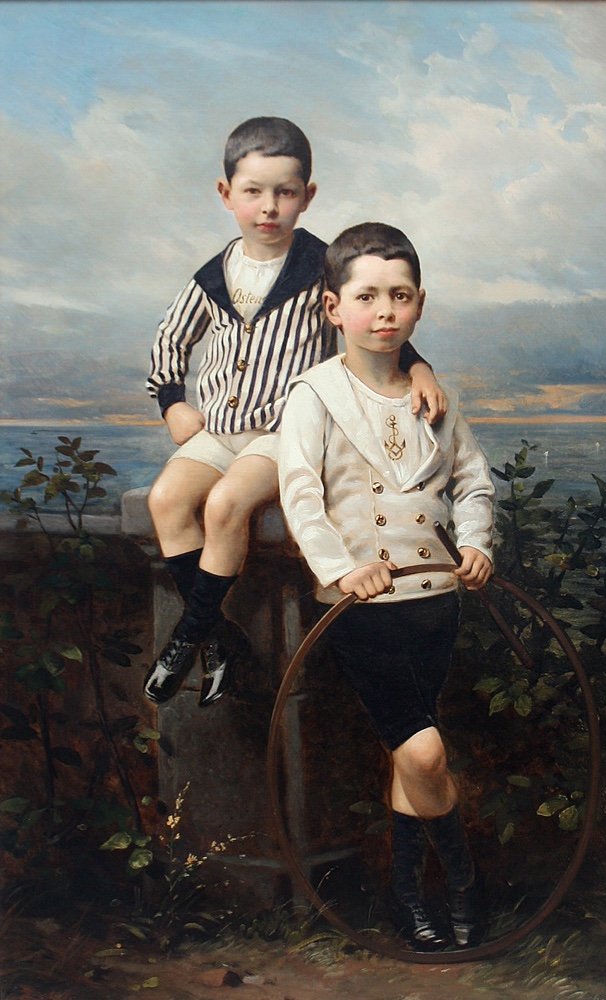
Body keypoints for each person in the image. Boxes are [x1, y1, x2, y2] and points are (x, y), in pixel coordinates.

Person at [144, 118, 447, 708]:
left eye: (285, 192)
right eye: (253, 191)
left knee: (229, 502)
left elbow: (374, 325)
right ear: (225, 193)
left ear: (307, 197)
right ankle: (215, 636)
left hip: (286, 430)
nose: (268, 207)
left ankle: (188, 635)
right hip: (221, 430)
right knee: (165, 500)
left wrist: (420, 367)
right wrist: (174, 402)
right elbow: (168, 342)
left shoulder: (321, 267)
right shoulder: (214, 273)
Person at [278, 222, 495, 949]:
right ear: (333, 307)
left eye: (399, 295)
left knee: (410, 757)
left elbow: (471, 480)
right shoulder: (314, 394)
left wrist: (475, 542)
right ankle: (466, 887)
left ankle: (410, 903)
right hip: (360, 610)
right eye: (366, 295)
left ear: (420, 304)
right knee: (426, 751)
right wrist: (342, 569)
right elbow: (300, 493)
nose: (385, 310)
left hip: (435, 604)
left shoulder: (438, 396)